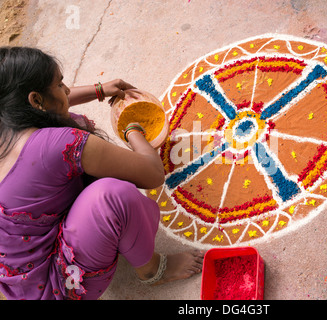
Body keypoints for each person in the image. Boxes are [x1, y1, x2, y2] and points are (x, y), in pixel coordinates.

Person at [0, 46, 204, 300]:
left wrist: (98, 90)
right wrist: (132, 129)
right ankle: (152, 270)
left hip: (21, 278)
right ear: (36, 100)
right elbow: (152, 174)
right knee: (112, 196)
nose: (66, 90)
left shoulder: (7, 121)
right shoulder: (57, 144)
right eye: (60, 84)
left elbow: (51, 104)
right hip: (56, 283)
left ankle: (103, 235)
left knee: (73, 132)